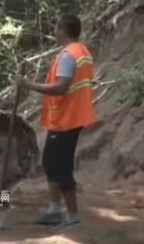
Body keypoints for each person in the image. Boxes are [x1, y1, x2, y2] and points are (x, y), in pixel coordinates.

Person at [15, 14, 95, 228]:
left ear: (64, 31)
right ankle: (53, 209)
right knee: (50, 161)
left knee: (61, 167)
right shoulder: (81, 51)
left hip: (67, 119)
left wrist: (28, 85)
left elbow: (61, 86)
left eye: (57, 27)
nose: (54, 31)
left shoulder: (69, 55)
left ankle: (72, 214)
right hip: (68, 117)